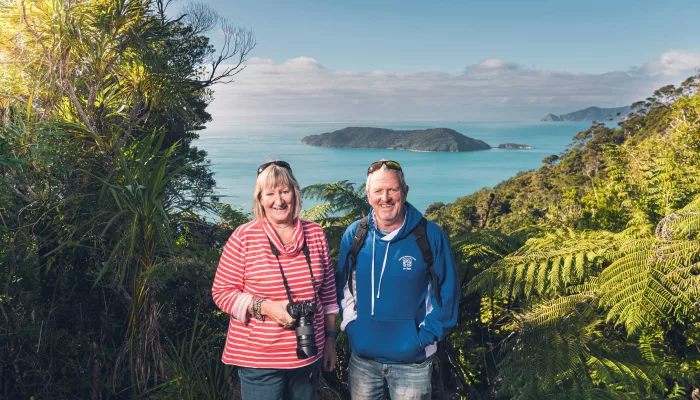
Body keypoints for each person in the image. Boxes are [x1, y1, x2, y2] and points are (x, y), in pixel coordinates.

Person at [212, 160, 339, 400]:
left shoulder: (315, 234)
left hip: (307, 354)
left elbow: (329, 295)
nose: (278, 201)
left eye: (284, 191)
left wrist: (330, 342)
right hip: (259, 358)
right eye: (270, 193)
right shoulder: (244, 237)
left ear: (295, 192)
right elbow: (221, 292)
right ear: (260, 199)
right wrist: (266, 308)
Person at [336, 160, 459, 400]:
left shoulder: (430, 235)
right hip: (363, 362)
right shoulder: (355, 235)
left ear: (405, 191)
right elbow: (343, 287)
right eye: (378, 191)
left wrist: (422, 338)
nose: (386, 198)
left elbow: (448, 292)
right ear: (368, 194)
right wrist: (351, 326)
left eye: (392, 189)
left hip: (412, 364)